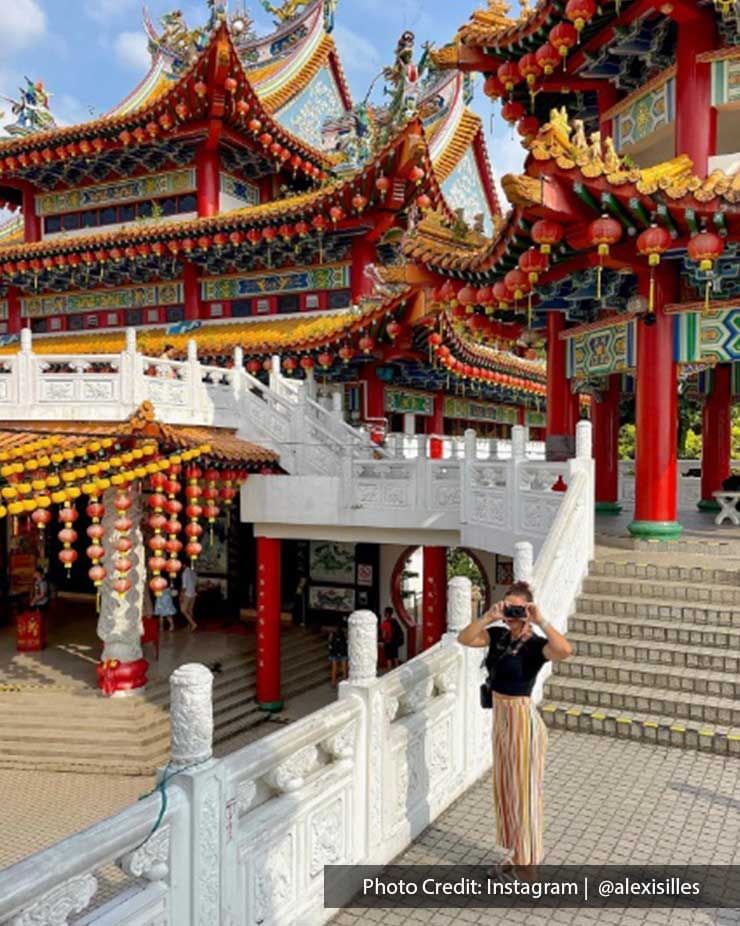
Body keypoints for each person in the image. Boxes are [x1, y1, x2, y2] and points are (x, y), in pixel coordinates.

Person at [457, 580, 572, 871]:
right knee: (507, 789)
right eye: (509, 607)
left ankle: (528, 866)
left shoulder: (535, 645)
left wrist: (540, 619)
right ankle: (517, 854)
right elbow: (464, 639)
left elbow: (564, 650)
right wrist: (488, 616)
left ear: (528, 609)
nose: (512, 614)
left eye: (518, 609)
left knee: (526, 793)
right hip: (500, 718)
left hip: (522, 721)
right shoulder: (497, 636)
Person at [327, 619, 348, 687]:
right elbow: (347, 640)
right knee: (344, 667)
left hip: (334, 652)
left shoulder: (332, 633)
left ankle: (333, 682)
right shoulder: (344, 632)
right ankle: (345, 681)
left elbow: (329, 641)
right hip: (342, 651)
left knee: (334, 668)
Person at [181, 564, 198, 631]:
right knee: (190, 610)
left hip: (187, 594)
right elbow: (196, 583)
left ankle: (193, 624)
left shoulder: (184, 573)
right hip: (193, 593)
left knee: (183, 610)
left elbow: (184, 586)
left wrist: (181, 595)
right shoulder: (193, 572)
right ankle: (190, 626)